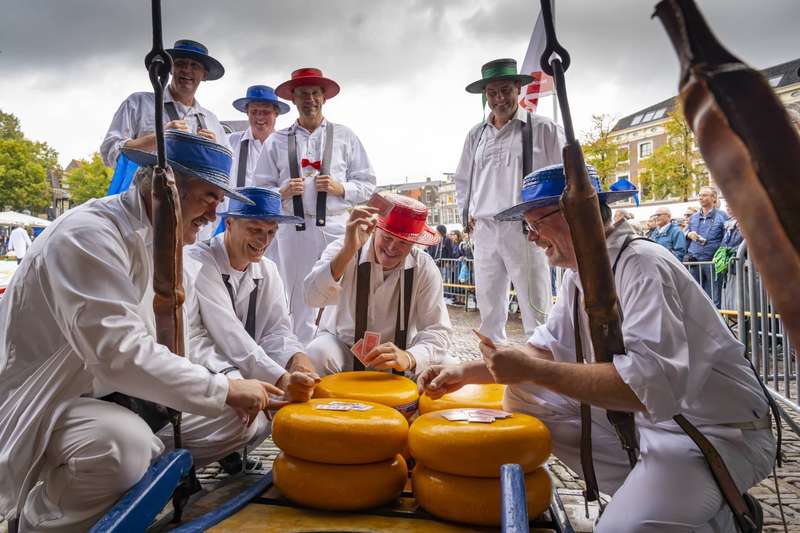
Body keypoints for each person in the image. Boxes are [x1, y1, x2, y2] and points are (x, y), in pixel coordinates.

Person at [419, 164, 775, 532]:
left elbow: (649, 385)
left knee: (620, 530)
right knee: (525, 394)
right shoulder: (581, 273)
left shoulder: (641, 264)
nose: (532, 236)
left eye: (536, 223)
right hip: (656, 423)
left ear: (577, 214)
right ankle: (666, 501)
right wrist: (465, 372)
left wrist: (532, 371)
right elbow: (546, 351)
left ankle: (710, 514)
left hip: (717, 431)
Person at [0, 131, 282, 532]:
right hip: (51, 401)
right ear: (165, 190)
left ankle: (127, 487)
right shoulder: (88, 235)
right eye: (208, 197)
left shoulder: (164, 244)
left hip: (119, 394)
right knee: (122, 447)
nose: (215, 214)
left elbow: (188, 342)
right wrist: (223, 389)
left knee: (242, 419)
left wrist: (232, 386)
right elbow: (117, 353)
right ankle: (40, 520)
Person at [186, 186, 319, 473]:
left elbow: (277, 330)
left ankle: (226, 453)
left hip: (241, 369)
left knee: (264, 413)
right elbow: (226, 335)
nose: (264, 240)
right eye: (255, 229)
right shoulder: (199, 262)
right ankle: (181, 468)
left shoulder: (268, 269)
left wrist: (296, 359)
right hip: (200, 370)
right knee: (251, 418)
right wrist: (281, 379)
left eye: (271, 232)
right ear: (229, 223)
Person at [254, 68, 376, 344]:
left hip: (336, 226)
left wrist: (341, 188)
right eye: (303, 94)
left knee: (342, 292)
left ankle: (338, 352)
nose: (309, 99)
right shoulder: (276, 140)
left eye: (314, 93)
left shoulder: (345, 136)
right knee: (298, 299)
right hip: (293, 229)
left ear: (323, 97)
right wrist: (282, 192)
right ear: (294, 100)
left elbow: (368, 183)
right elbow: (259, 190)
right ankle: (302, 361)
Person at [454, 58, 564, 346]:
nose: (499, 98)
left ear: (518, 88)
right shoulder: (476, 135)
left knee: (535, 306)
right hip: (486, 229)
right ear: (485, 96)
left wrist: (551, 220)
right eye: (492, 93)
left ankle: (543, 374)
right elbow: (463, 178)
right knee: (489, 308)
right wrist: (465, 212)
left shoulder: (544, 128)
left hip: (526, 229)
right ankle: (494, 369)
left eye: (505, 90)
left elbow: (565, 175)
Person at [303, 194, 453, 377]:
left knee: (448, 366)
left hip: (400, 356)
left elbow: (437, 330)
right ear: (375, 229)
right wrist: (347, 252)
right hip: (343, 348)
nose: (392, 248)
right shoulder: (342, 248)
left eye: (403, 242)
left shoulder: (424, 267)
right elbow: (311, 297)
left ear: (414, 243)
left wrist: (410, 357)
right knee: (317, 353)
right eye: (388, 238)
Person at [101, 39, 231, 241]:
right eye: (180, 63)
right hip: (142, 216)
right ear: (170, 68)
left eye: (194, 66)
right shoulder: (140, 103)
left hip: (191, 226)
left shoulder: (212, 121)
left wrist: (213, 152)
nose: (186, 70)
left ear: (204, 75)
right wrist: (158, 138)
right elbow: (110, 152)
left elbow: (223, 179)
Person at [224, 85, 291, 265]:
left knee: (274, 276)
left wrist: (280, 193)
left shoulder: (287, 147)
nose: (260, 117)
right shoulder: (230, 142)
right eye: (255, 112)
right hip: (239, 223)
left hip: (273, 227)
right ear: (247, 113)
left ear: (276, 114)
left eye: (265, 112)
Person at [685, 186, 729, 307]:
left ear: (714, 198)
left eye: (704, 195)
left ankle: (715, 325)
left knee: (714, 298)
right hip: (694, 262)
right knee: (695, 296)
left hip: (712, 262)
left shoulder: (722, 216)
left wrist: (720, 257)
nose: (700, 198)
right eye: (699, 195)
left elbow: (726, 238)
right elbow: (685, 235)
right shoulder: (693, 217)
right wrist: (688, 234)